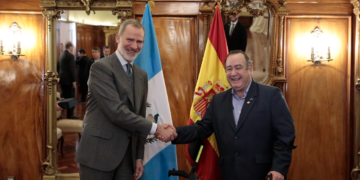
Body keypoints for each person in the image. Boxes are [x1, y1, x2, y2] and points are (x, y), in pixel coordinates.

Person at [164, 50, 295, 180]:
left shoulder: (271, 95)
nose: (233, 73)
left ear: (250, 69)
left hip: (264, 174)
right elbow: (201, 129)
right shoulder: (218, 101)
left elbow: (285, 136)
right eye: (229, 69)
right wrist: (175, 132)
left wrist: (278, 168)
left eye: (238, 68)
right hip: (230, 174)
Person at [75, 19, 177, 180]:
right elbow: (116, 111)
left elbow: (140, 114)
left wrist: (138, 156)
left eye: (139, 41)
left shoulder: (141, 75)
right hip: (98, 154)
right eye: (130, 39)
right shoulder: (101, 68)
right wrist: (157, 128)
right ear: (118, 38)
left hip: (127, 158)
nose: (134, 46)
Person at [58, 41, 79, 119]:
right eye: (72, 47)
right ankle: (70, 115)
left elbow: (58, 66)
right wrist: (74, 81)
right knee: (71, 97)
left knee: (63, 97)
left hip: (62, 80)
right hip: (69, 81)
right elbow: (72, 69)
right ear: (70, 47)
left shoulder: (61, 54)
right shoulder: (70, 55)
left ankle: (60, 114)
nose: (73, 48)